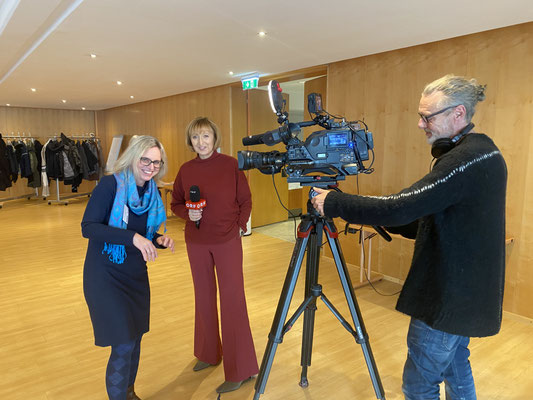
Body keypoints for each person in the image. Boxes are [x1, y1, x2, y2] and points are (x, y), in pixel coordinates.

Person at [311, 74, 507, 400]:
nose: (420, 124)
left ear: (458, 113)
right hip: (467, 296)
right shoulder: (485, 152)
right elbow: (437, 218)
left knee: (419, 386)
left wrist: (334, 203)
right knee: (456, 368)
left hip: (446, 299)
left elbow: (402, 207)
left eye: (427, 117)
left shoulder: (463, 160)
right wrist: (387, 218)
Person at [81, 135, 175, 400]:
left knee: (135, 339)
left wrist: (157, 240)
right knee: (123, 343)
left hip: (135, 275)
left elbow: (144, 233)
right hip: (106, 275)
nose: (151, 167)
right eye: (145, 160)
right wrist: (133, 238)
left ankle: (129, 394)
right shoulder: (110, 185)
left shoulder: (151, 192)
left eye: (156, 162)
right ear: (133, 157)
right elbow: (89, 227)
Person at [170, 117, 258, 394]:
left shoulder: (231, 165)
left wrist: (240, 227)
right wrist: (188, 213)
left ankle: (241, 369)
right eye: (196, 137)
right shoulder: (186, 170)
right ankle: (209, 353)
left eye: (205, 136)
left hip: (227, 241)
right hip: (196, 242)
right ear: (190, 141)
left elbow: (246, 201)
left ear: (214, 138)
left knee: (232, 301)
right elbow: (175, 203)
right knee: (204, 297)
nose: (201, 142)